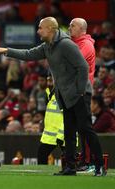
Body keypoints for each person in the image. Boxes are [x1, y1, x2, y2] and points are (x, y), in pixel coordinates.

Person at [0, 17, 106, 176]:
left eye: (40, 28)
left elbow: (83, 67)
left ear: (51, 29)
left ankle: (99, 165)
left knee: (85, 129)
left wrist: (79, 90)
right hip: (65, 94)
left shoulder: (66, 44)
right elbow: (28, 54)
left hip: (79, 94)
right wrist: (7, 51)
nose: (38, 31)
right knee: (69, 132)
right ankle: (70, 167)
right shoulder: (48, 46)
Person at [69, 17, 96, 172]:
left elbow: (73, 62)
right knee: (80, 127)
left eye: (73, 26)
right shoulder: (76, 44)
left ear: (81, 29)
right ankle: (84, 160)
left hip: (82, 91)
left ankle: (88, 161)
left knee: (84, 128)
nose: (70, 28)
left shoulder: (85, 45)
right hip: (76, 91)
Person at [37, 74, 65, 165]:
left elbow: (68, 117)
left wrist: (61, 135)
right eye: (48, 81)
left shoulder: (62, 96)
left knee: (69, 160)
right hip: (51, 135)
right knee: (42, 154)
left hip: (64, 134)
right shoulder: (50, 95)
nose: (48, 83)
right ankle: (43, 175)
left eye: (51, 81)